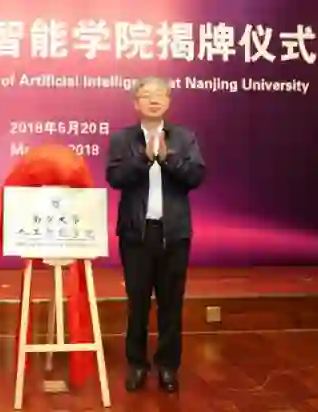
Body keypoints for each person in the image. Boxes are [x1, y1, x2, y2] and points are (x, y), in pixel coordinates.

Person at [106, 77, 206, 393]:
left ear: (168, 101)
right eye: (146, 95)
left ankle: (167, 367)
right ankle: (137, 364)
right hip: (137, 234)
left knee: (171, 304)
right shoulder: (122, 139)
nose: (153, 100)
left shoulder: (184, 137)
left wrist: (167, 157)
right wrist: (145, 158)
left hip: (174, 233)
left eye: (159, 95)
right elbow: (115, 177)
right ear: (136, 103)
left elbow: (196, 176)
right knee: (137, 304)